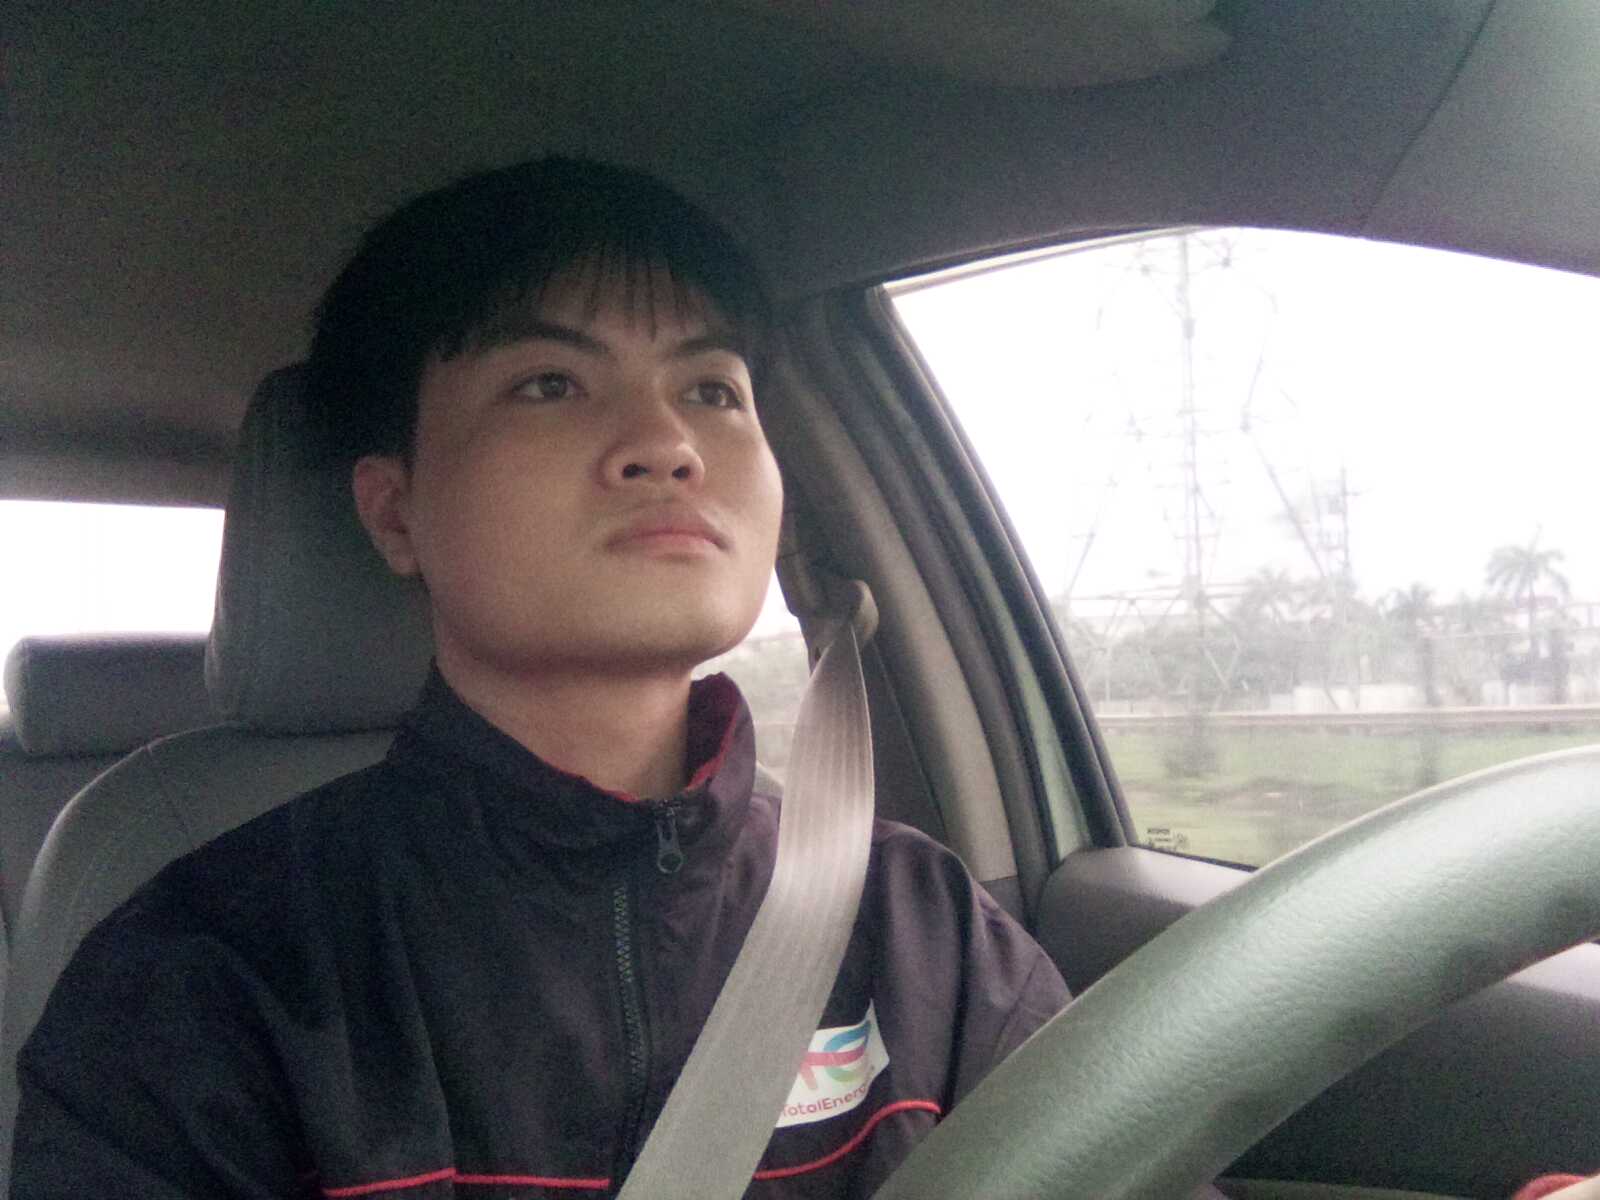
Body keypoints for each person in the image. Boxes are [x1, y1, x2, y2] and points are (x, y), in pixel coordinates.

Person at [9, 158, 1071, 1198]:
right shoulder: (209, 979)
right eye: (549, 384)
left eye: (712, 389)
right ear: (395, 513)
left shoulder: (917, 925)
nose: (666, 444)